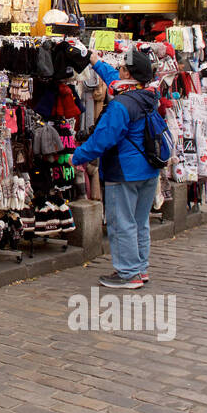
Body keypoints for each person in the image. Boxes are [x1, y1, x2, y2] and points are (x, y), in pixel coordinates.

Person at [71, 45, 167, 289]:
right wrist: (93, 60)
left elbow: (103, 139)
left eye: (121, 67)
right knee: (139, 221)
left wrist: (77, 156)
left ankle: (128, 274)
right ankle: (139, 268)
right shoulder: (147, 94)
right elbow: (114, 80)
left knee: (121, 222)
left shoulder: (121, 105)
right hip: (148, 170)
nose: (119, 70)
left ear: (127, 73)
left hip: (124, 171)